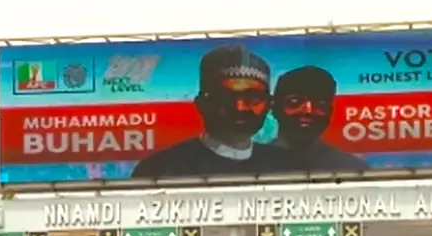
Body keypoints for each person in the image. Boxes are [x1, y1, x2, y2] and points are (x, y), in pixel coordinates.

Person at [131, 45, 287, 178]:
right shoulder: (160, 168)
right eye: (225, 97)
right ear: (202, 103)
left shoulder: (284, 164)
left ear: (268, 104)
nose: (240, 107)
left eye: (253, 97)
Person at [270, 65, 369, 172]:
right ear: (275, 107)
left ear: (330, 111)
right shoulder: (258, 163)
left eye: (320, 104)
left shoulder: (352, 168)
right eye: (295, 102)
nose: (308, 110)